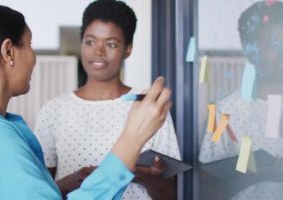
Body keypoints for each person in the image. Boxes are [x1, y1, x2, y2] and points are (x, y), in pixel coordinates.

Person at [0, 2, 173, 200]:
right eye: (30, 44)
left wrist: (53, 189)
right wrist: (131, 139)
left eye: (110, 44)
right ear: (8, 52)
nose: (34, 56)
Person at [34, 0, 181, 199]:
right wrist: (67, 183)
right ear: (81, 43)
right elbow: (38, 193)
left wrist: (145, 177)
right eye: (90, 42)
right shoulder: (54, 110)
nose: (98, 52)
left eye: (111, 44)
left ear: (127, 49)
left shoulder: (148, 107)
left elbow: (171, 195)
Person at [199, 1, 283, 199]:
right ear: (252, 50)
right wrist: (256, 174)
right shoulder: (224, 113)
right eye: (274, 44)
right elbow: (206, 182)